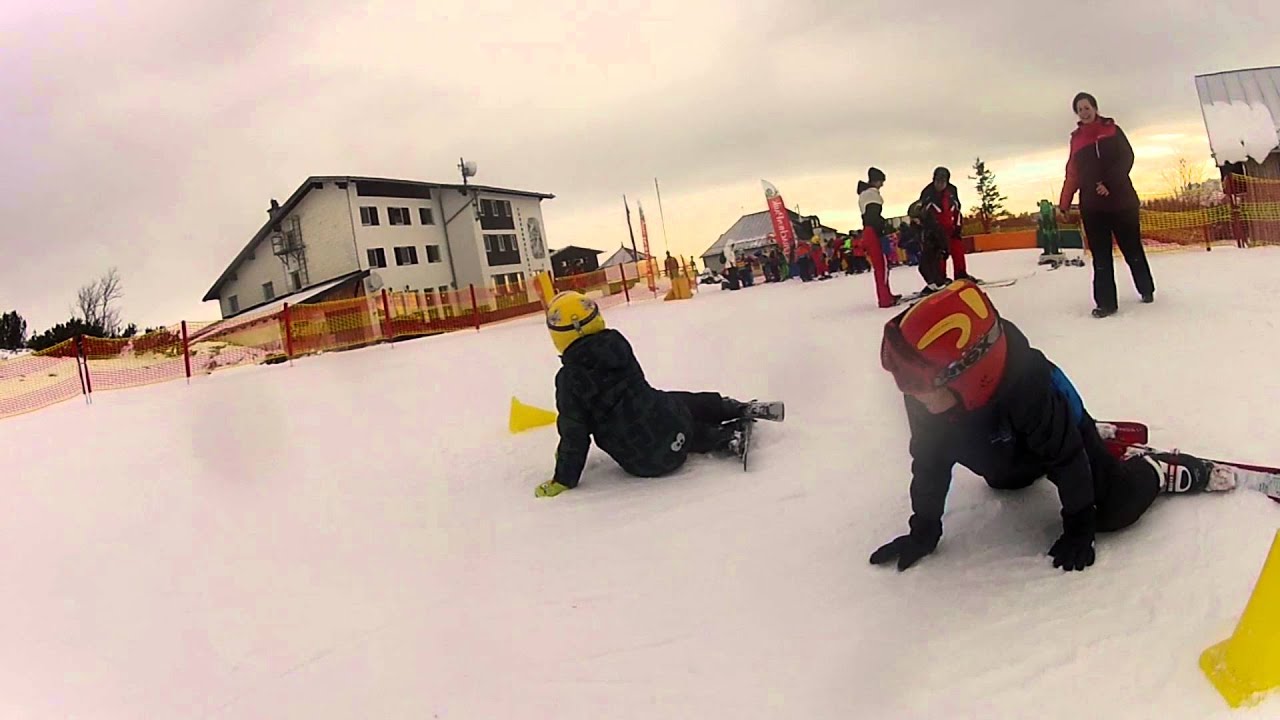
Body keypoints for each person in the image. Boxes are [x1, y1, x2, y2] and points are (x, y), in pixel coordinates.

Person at [871, 280, 1207, 572]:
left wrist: (1079, 526)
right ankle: (1041, 439)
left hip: (1057, 432)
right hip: (1008, 434)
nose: (915, 400)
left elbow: (1067, 459)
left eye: (923, 393)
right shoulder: (927, 391)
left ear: (971, 376)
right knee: (1005, 479)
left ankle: (1156, 469)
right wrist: (924, 531)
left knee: (1113, 510)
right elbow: (930, 463)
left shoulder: (1028, 388)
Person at [534, 291, 784, 497]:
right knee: (676, 405)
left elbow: (574, 434)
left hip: (642, 462)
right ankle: (729, 408)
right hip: (673, 424)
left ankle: (725, 437)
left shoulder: (569, 380)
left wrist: (563, 479)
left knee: (654, 426)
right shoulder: (617, 345)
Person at [1057, 91, 1155, 318]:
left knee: (1132, 249)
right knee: (1100, 257)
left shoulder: (1112, 129)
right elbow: (1072, 174)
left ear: (1095, 108)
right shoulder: (1076, 139)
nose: (1084, 111)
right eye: (1080, 109)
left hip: (1122, 202)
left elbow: (1127, 157)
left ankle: (1146, 289)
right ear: (1077, 113)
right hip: (1093, 208)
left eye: (1087, 107)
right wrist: (1064, 203)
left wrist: (1110, 182)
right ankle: (1106, 303)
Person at [918, 167, 976, 283]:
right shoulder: (927, 193)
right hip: (936, 230)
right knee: (940, 254)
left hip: (952, 227)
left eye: (943, 182)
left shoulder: (952, 191)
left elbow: (957, 209)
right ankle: (940, 278)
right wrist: (931, 232)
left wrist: (958, 226)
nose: (940, 184)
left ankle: (961, 274)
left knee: (958, 250)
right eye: (937, 181)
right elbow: (923, 213)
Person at [858, 167, 900, 308]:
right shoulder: (872, 194)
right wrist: (884, 227)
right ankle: (885, 299)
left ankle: (886, 295)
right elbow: (873, 216)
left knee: (880, 266)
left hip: (868, 232)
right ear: (876, 181)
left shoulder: (864, 194)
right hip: (874, 232)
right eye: (881, 181)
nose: (882, 185)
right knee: (882, 266)